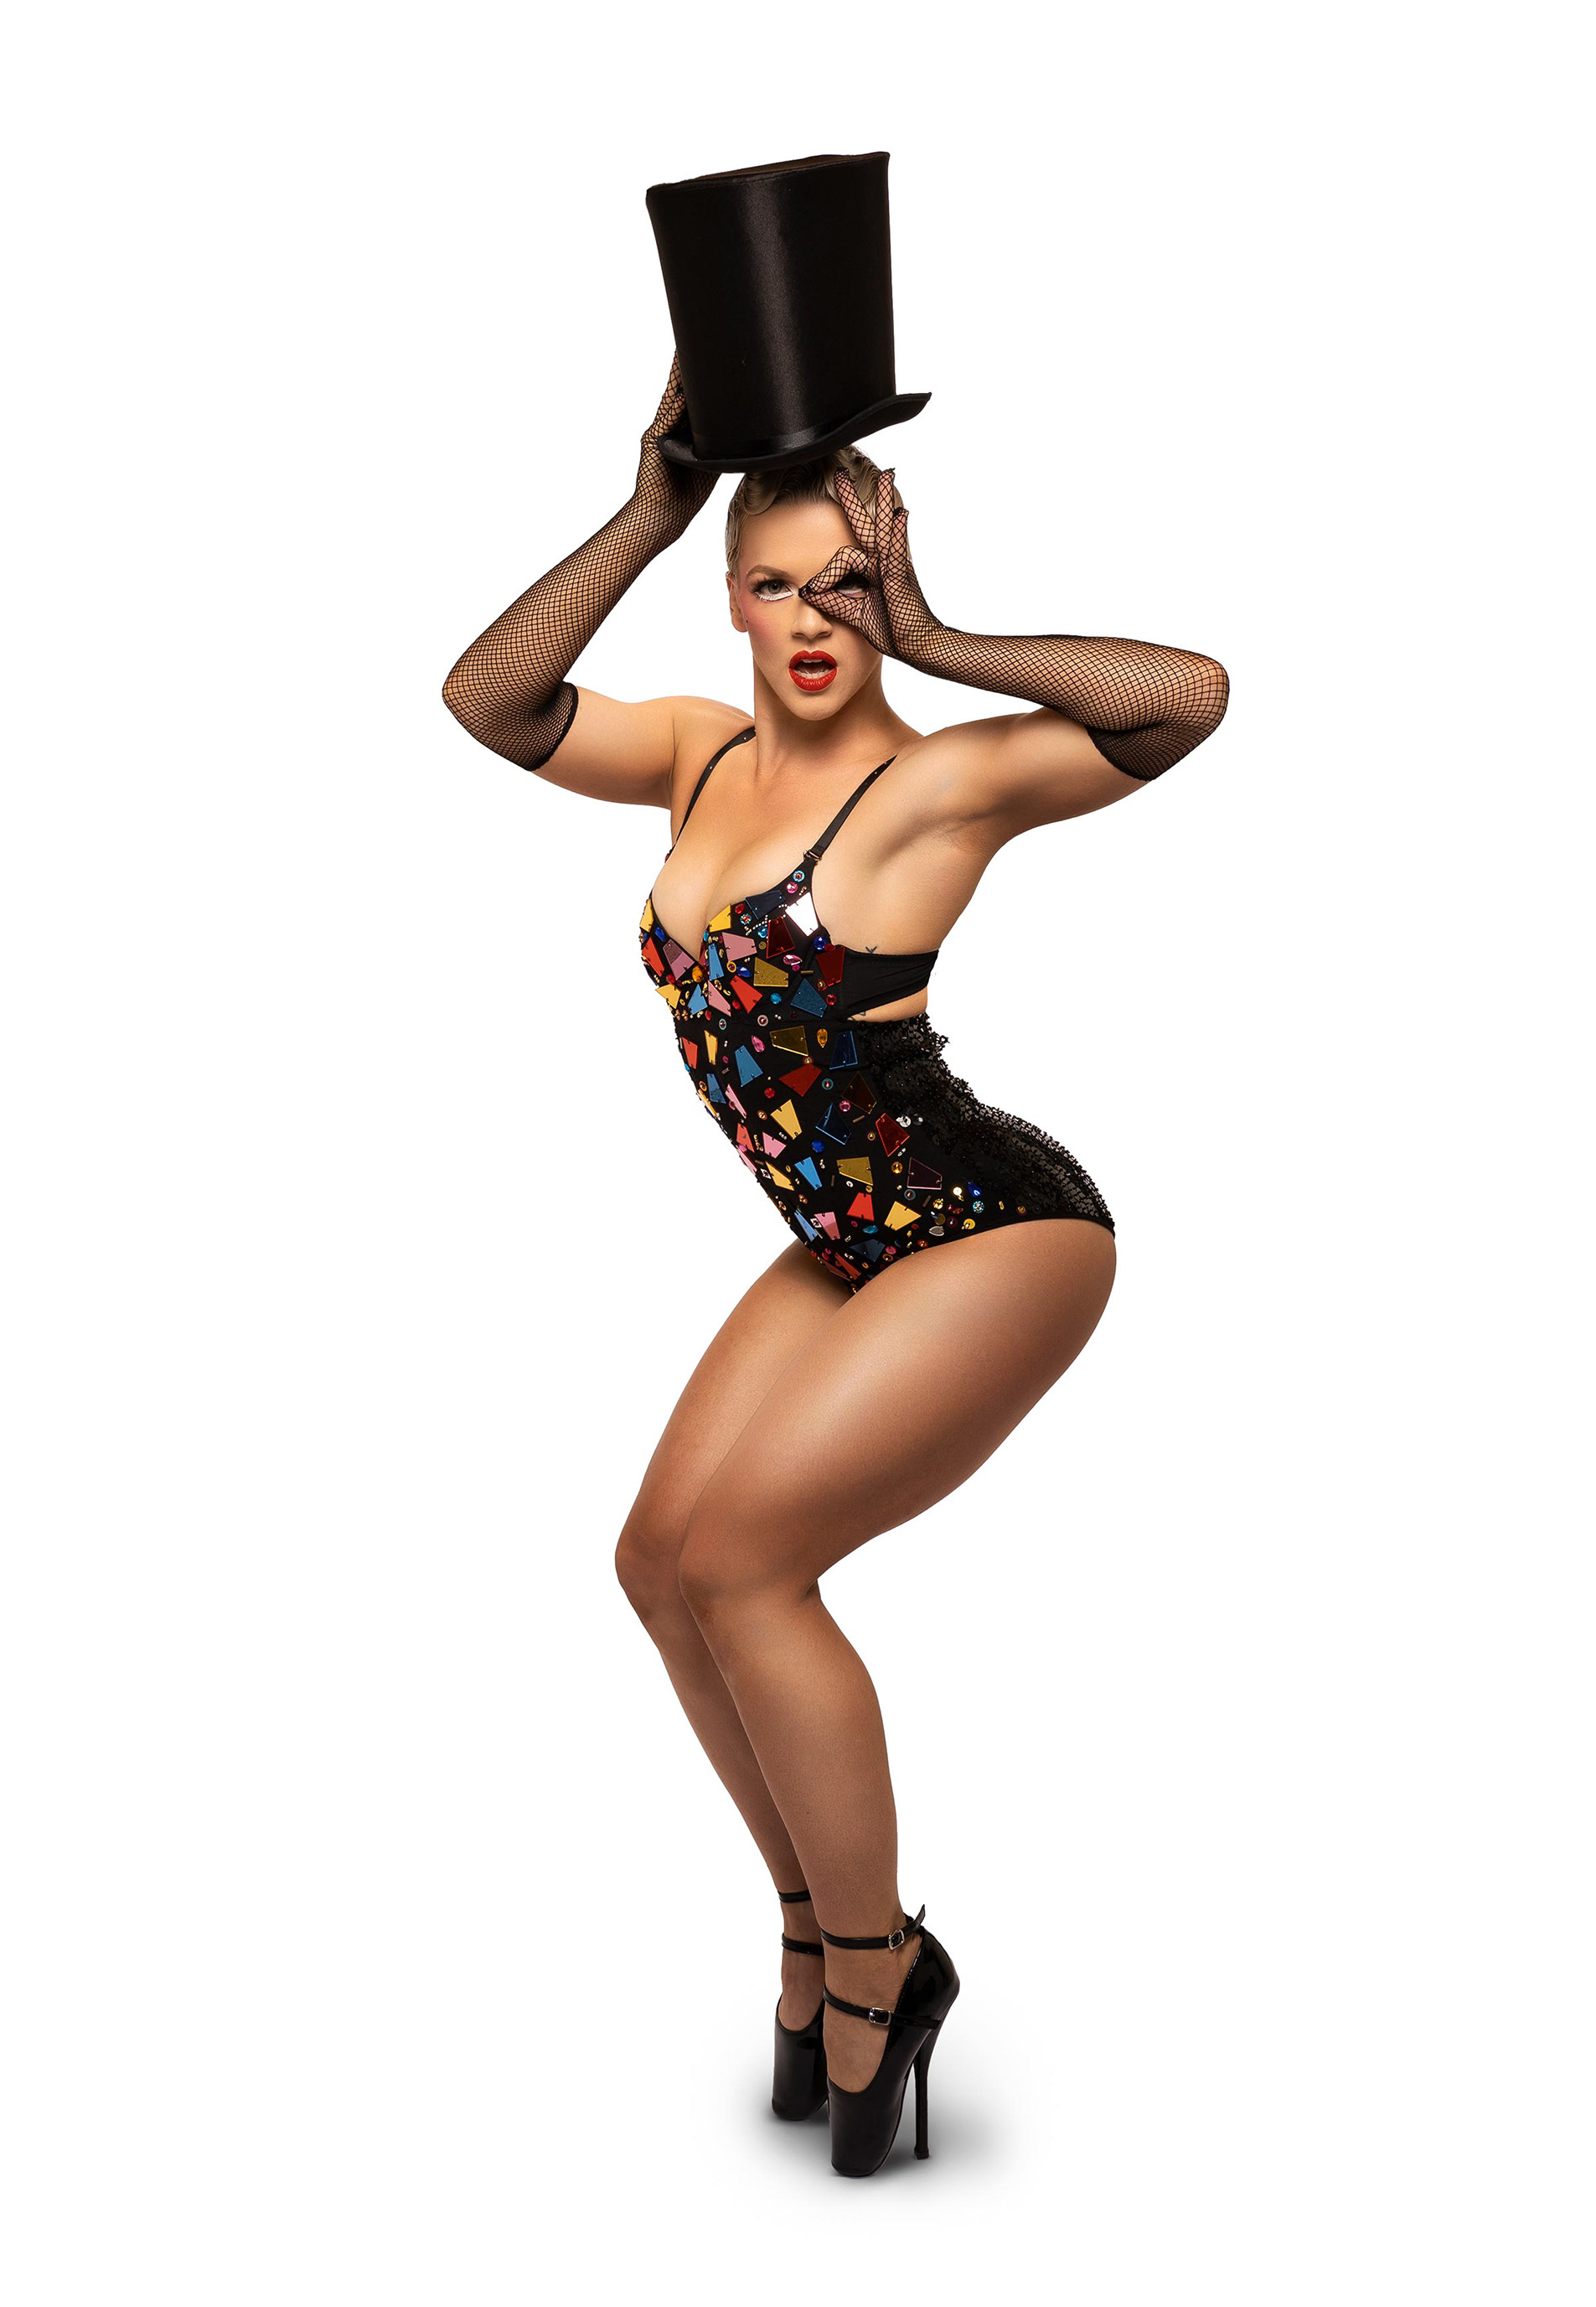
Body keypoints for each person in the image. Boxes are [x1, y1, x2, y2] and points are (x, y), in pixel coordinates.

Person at [442, 360, 1228, 2175]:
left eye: (847, 585)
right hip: (845, 1235)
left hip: (995, 1225)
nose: (814, 623)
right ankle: (814, 1922)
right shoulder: (695, 757)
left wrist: (939, 639)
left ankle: (885, 1965)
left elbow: (1188, 696)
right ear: (730, 595)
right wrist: (646, 508)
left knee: (748, 1564)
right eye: (778, 585)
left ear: (891, 576)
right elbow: (488, 700)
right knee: (659, 1566)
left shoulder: (938, 782)